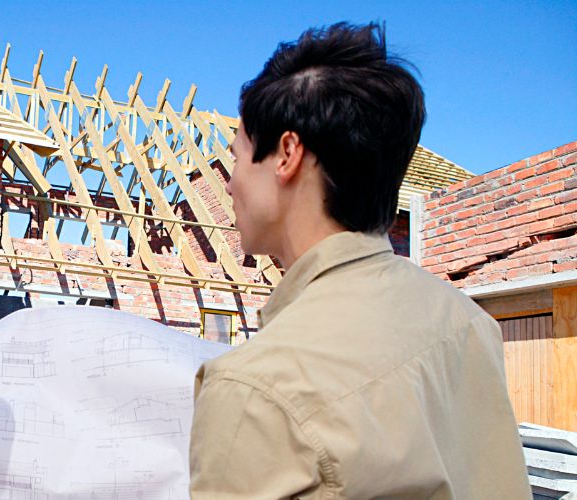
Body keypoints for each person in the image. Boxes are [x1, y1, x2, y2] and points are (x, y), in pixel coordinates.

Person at [189, 23, 529, 499]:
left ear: (286, 153)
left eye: (238, 157)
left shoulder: (253, 388)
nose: (229, 183)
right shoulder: (469, 324)